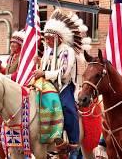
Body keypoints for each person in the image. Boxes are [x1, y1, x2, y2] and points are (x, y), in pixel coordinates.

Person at [33, 9, 91, 158]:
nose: (48, 41)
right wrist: (40, 66)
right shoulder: (47, 52)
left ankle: (73, 143)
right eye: (46, 39)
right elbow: (44, 71)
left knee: (67, 107)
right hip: (48, 86)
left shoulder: (67, 51)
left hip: (65, 85)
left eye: (50, 38)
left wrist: (44, 73)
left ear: (58, 37)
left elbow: (63, 73)